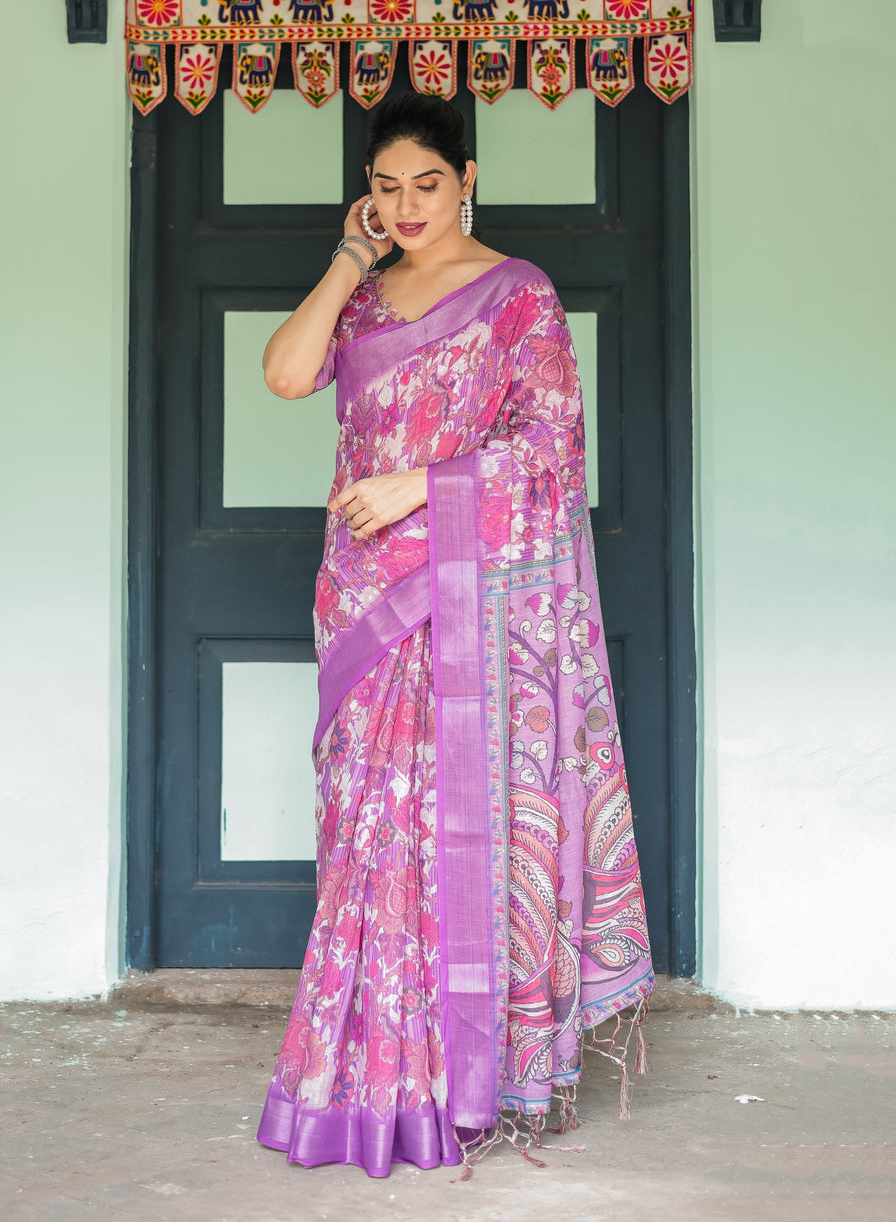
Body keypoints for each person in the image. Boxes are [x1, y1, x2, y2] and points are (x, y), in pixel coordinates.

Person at [256, 93, 654, 1179]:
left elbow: (550, 449)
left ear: (466, 177)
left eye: (425, 184)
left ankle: (462, 1083)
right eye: (385, 188)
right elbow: (288, 373)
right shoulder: (367, 298)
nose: (407, 206)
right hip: (365, 603)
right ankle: (362, 1080)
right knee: (367, 835)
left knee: (463, 833)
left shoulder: (516, 297)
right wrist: (346, 257)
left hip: (465, 601)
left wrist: (415, 483)